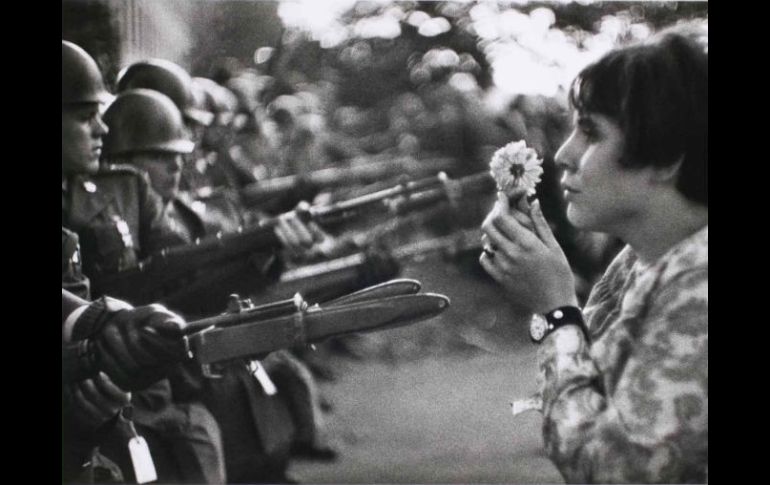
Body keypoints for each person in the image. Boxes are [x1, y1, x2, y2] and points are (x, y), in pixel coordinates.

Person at [479, 25, 707, 483]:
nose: (564, 154)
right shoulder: (639, 261)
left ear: (666, 158)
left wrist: (556, 312)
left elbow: (616, 470)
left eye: (590, 132)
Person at [63, 40, 226, 484]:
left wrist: (255, 256)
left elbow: (180, 265)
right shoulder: (95, 198)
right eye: (85, 117)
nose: (102, 130)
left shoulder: (116, 192)